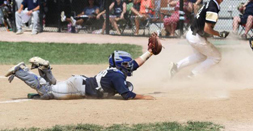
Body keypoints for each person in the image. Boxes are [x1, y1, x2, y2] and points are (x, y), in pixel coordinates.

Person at [5, 48, 158, 100]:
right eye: (126, 63)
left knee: (52, 88)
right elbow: (127, 95)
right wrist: (145, 97)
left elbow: (135, 64)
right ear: (120, 64)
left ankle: (45, 69)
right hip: (79, 87)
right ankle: (20, 71)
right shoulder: (117, 76)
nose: (129, 65)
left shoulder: (115, 71)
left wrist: (150, 52)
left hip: (80, 83)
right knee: (46, 91)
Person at [169, 0, 229, 78]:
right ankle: (193, 75)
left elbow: (205, 27)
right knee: (216, 57)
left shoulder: (212, 4)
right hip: (196, 37)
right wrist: (219, 34)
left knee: (200, 56)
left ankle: (176, 67)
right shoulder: (213, 8)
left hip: (192, 34)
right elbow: (207, 28)